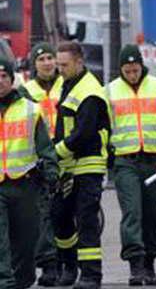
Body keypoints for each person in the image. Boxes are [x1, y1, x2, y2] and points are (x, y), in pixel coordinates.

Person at [106, 45, 156, 286]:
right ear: (121, 69)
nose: (132, 75)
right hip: (125, 161)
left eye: (135, 70)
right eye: (127, 70)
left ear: (141, 66)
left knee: (153, 214)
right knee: (132, 212)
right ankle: (135, 264)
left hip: (155, 162)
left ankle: (150, 263)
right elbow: (105, 128)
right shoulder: (110, 91)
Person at [52, 41, 111, 289]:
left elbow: (84, 133)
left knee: (86, 219)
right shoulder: (70, 84)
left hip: (88, 164)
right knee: (60, 216)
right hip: (69, 166)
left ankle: (91, 275)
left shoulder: (89, 91)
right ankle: (69, 265)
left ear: (79, 62)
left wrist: (55, 152)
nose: (60, 69)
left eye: (64, 65)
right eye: (58, 65)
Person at [0, 58, 58, 289]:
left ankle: (22, 280)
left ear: (12, 79)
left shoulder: (30, 110)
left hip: (25, 185)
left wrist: (52, 171)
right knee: (0, 240)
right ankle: (4, 281)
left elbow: (45, 146)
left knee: (26, 241)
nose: (0, 81)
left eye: (4, 76)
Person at [19, 43, 63, 286]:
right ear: (34, 65)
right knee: (43, 215)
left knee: (65, 214)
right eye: (41, 59)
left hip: (67, 153)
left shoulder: (65, 84)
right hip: (40, 158)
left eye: (50, 58)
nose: (47, 63)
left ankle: (67, 261)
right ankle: (48, 264)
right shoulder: (27, 91)